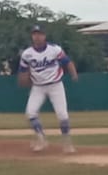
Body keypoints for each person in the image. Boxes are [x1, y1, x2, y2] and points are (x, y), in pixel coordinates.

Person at [17, 24, 78, 152]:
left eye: (39, 34)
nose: (37, 37)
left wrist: (73, 74)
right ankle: (41, 139)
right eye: (35, 34)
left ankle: (66, 142)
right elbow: (23, 70)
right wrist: (23, 80)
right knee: (31, 113)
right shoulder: (27, 54)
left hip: (55, 85)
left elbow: (67, 62)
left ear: (44, 36)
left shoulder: (54, 49)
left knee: (62, 115)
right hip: (38, 87)